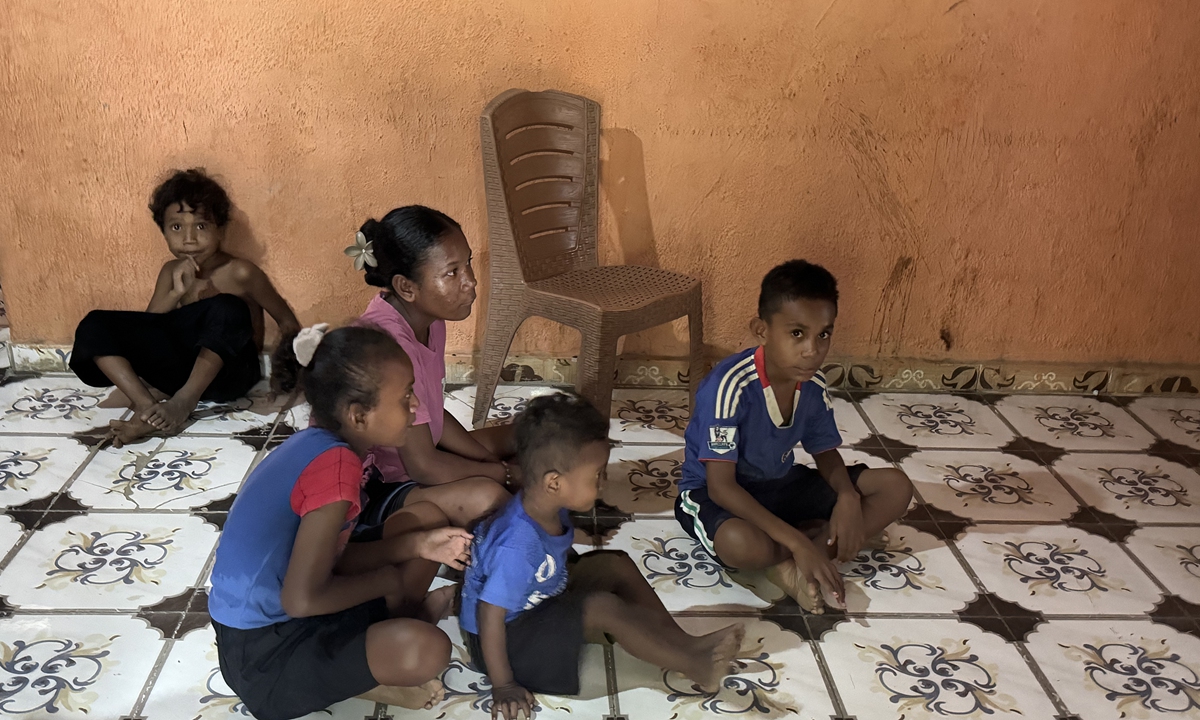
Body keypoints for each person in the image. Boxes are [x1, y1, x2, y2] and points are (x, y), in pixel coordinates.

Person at [209, 326, 470, 720]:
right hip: (264, 660)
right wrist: (387, 581)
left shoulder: (323, 443)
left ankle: (382, 646)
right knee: (427, 649)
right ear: (358, 415)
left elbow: (334, 561)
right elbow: (301, 600)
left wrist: (418, 546)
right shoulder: (335, 465)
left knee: (426, 524)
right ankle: (375, 676)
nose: (416, 404)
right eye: (404, 397)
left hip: (288, 617)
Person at [460, 392, 745, 720]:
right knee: (600, 607)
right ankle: (697, 665)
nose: (605, 482)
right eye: (597, 475)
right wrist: (504, 685)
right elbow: (489, 616)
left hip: (531, 602)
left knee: (616, 564)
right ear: (554, 482)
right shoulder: (517, 545)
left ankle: (681, 647)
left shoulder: (544, 506)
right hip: (503, 643)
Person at [676, 260, 913, 614]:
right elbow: (720, 487)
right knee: (738, 543)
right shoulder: (729, 387)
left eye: (824, 334)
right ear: (762, 329)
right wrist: (797, 540)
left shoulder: (812, 384)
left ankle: (801, 556)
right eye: (797, 333)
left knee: (896, 486)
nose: (812, 350)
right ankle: (799, 552)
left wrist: (847, 497)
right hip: (717, 494)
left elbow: (825, 452)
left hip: (781, 484)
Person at [69, 168, 300, 447]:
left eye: (201, 226)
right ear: (164, 231)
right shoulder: (170, 271)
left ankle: (183, 403)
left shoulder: (240, 272)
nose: (189, 239)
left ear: (221, 229)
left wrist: (285, 374)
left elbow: (287, 322)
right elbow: (147, 329)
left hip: (231, 373)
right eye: (176, 227)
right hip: (182, 370)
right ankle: (146, 406)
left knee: (228, 306)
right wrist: (175, 293)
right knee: (95, 323)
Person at [349, 206, 513, 531]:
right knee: (490, 497)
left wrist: (485, 460)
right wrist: (503, 473)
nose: (470, 281)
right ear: (407, 287)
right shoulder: (389, 345)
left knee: (532, 435)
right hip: (378, 487)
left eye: (467, 263)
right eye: (451, 272)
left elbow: (431, 415)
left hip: (419, 454)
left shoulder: (429, 319)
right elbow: (424, 465)